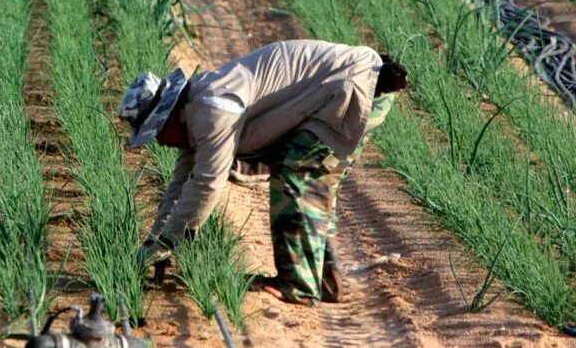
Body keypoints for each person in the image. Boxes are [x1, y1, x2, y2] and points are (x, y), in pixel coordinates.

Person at [117, 39, 408, 306]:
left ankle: (297, 285)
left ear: (167, 118)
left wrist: (169, 242)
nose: (160, 142)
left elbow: (207, 184)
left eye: (156, 133)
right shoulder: (193, 111)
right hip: (353, 84)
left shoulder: (212, 109)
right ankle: (323, 281)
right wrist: (155, 241)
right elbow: (181, 184)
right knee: (311, 179)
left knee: (297, 171)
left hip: (359, 88)